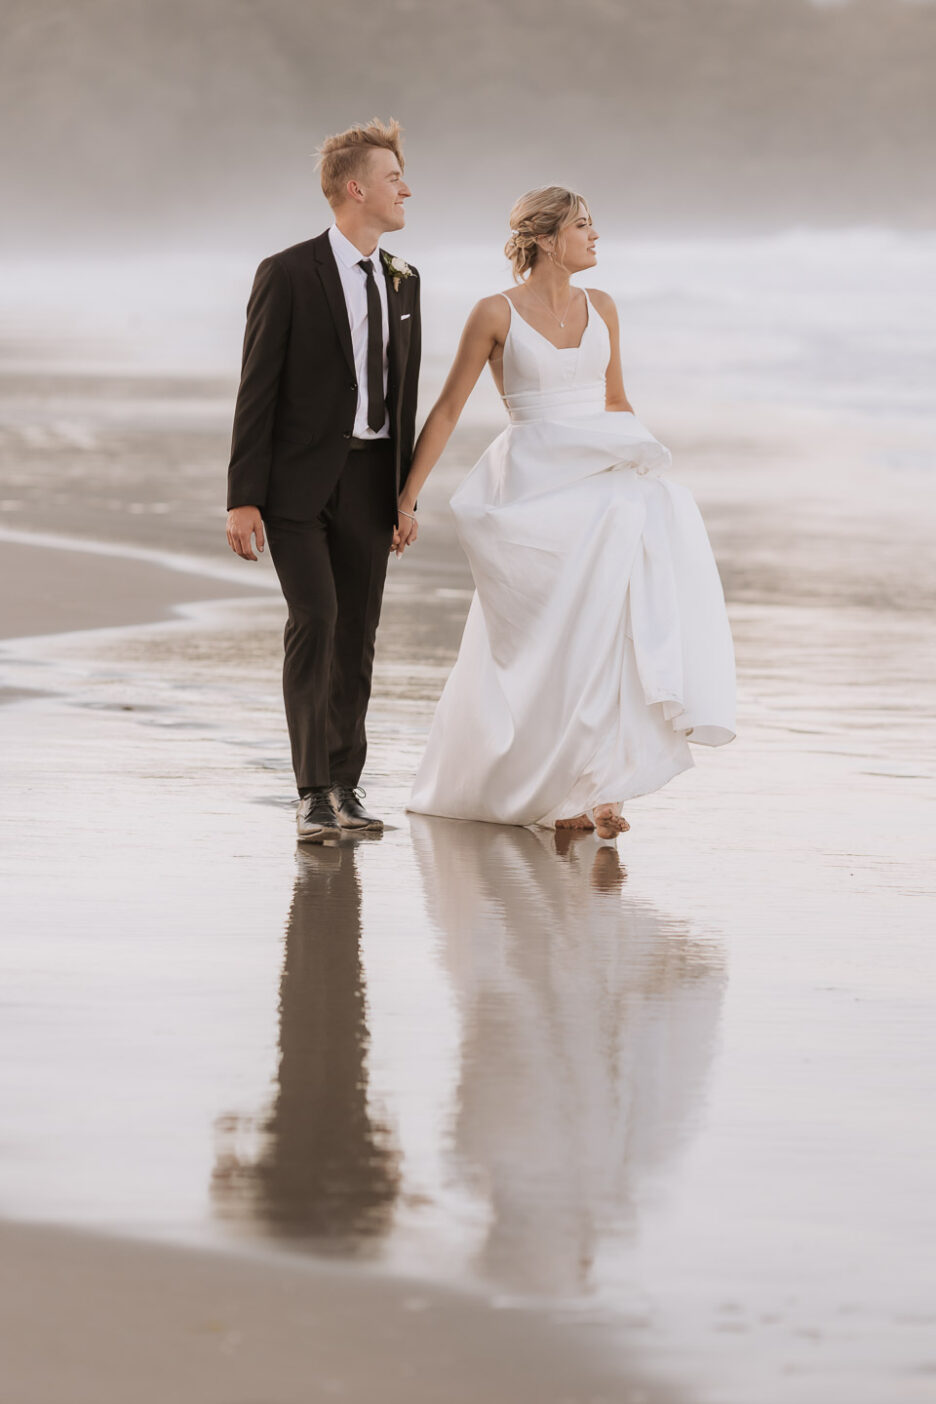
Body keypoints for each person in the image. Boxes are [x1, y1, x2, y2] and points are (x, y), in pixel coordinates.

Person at [403, 187, 735, 838]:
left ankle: (604, 789)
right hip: (530, 489)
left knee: (614, 630)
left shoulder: (603, 307)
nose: (595, 236)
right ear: (547, 239)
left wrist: (640, 458)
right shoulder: (493, 313)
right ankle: (548, 780)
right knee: (549, 646)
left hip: (601, 477)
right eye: (583, 225)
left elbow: (615, 399)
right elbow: (447, 410)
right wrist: (406, 496)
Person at [225, 118, 421, 842]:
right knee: (317, 620)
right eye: (395, 177)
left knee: (357, 636)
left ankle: (345, 782)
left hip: (373, 484)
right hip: (297, 487)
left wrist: (405, 495)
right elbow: (257, 389)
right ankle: (310, 791)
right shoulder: (287, 272)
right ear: (355, 188)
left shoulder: (405, 278)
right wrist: (242, 496)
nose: (408, 189)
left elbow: (403, 397)